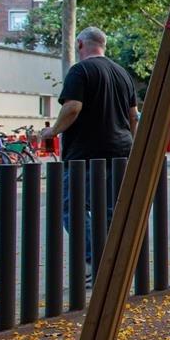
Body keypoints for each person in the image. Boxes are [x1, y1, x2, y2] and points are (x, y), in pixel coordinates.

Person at [40, 28, 138, 278]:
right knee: (108, 210)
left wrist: (53, 131)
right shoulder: (122, 73)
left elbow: (72, 107)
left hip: (86, 152)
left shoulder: (80, 71)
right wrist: (134, 145)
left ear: (80, 44)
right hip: (120, 151)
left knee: (71, 208)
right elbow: (133, 116)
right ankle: (112, 266)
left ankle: (97, 262)